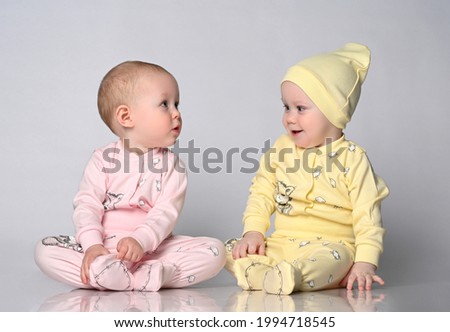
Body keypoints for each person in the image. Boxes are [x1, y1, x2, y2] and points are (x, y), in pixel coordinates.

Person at [35, 61, 226, 291]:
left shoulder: (173, 166)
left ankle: (123, 276)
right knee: (44, 251)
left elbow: (165, 213)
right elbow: (87, 205)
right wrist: (92, 246)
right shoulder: (102, 160)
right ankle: (127, 275)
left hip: (152, 249)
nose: (177, 113)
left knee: (215, 252)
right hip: (103, 247)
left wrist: (140, 240)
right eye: (165, 104)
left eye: (177, 104)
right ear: (126, 116)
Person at [225, 43, 389, 295]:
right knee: (226, 250)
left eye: (300, 108)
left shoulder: (352, 158)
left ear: (334, 112)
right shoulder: (281, 148)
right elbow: (262, 192)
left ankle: (286, 275)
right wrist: (253, 232)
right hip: (283, 243)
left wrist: (365, 262)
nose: (290, 117)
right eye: (286, 107)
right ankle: (268, 274)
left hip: (332, 246)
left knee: (333, 260)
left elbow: (367, 215)